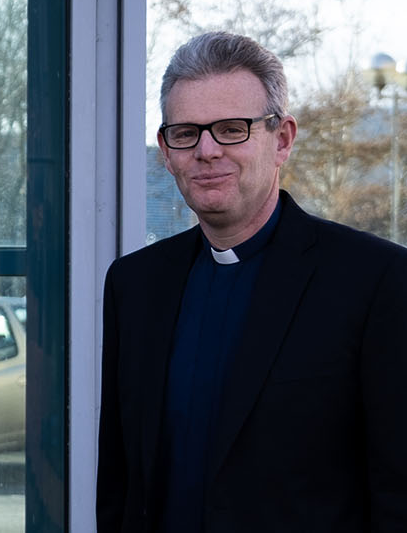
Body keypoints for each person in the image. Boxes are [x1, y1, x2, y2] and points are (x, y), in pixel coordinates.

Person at [98, 31, 407, 532]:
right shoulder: (134, 285)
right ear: (165, 148)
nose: (206, 150)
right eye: (186, 133)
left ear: (282, 138)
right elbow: (120, 483)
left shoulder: (377, 282)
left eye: (231, 129)